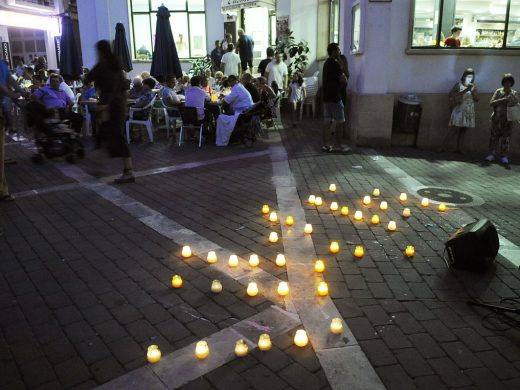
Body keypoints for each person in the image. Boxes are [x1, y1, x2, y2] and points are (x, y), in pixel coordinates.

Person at [86, 40, 135, 183]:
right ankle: (99, 168)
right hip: (118, 106)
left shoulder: (102, 66)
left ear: (100, 51)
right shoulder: (117, 67)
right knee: (107, 136)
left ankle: (128, 172)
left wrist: (104, 106)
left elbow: (87, 79)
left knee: (113, 136)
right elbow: (122, 88)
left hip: (107, 108)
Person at [483, 73, 518, 170]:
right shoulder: (498, 91)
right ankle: (491, 154)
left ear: (512, 83)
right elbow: (491, 103)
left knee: (505, 139)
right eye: (506, 81)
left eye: (509, 82)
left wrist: (513, 102)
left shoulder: (514, 93)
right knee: (494, 137)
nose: (508, 84)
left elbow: (516, 104)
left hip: (508, 119)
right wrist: (503, 99)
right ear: (503, 82)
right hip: (497, 119)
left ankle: (504, 156)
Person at [442, 68, 479, 153]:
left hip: (468, 110)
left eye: (471, 77)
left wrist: (473, 91)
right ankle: (443, 146)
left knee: (464, 130)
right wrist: (466, 90)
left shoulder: (473, 86)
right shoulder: (458, 85)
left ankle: (459, 148)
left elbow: (477, 99)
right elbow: (450, 95)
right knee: (454, 128)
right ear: (464, 76)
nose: (469, 78)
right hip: (459, 109)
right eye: (468, 76)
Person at [321, 43, 350, 153]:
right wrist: (342, 68)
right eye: (338, 50)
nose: (339, 52)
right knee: (340, 122)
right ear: (333, 51)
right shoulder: (335, 63)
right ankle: (340, 145)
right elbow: (344, 79)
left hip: (327, 97)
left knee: (327, 122)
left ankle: (326, 145)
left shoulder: (326, 63)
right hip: (335, 97)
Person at [0, 59, 22, 201]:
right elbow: (1, 86)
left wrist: (20, 90)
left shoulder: (1, 63)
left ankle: (3, 189)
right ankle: (3, 191)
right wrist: (15, 94)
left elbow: (9, 78)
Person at [216, 75, 253, 146]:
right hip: (247, 110)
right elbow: (230, 98)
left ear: (236, 81)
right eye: (229, 81)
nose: (230, 82)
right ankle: (231, 136)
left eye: (232, 81)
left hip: (243, 112)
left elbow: (226, 102)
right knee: (226, 110)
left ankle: (226, 136)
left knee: (220, 117)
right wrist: (225, 98)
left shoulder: (236, 88)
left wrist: (223, 100)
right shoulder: (239, 86)